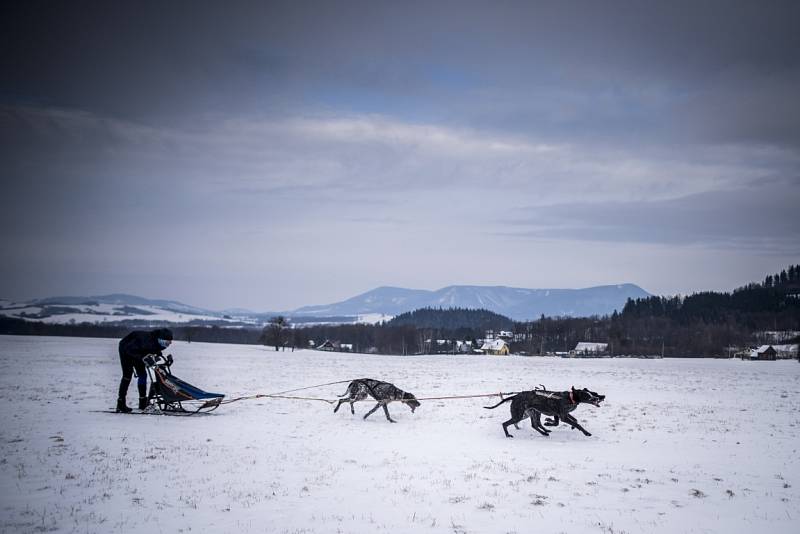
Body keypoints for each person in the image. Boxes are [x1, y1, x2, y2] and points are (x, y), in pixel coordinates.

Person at [116, 328, 173, 412]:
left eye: (169, 343)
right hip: (126, 349)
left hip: (139, 351)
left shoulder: (156, 342)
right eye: (165, 343)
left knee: (143, 375)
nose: (166, 346)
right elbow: (129, 350)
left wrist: (158, 355)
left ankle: (142, 402)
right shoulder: (146, 341)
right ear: (160, 339)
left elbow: (154, 349)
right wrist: (143, 358)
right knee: (127, 376)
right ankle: (121, 403)